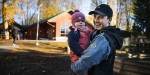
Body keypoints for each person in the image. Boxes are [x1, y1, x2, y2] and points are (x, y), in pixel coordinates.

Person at [71, 4, 128, 75]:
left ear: (109, 19)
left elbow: (86, 60)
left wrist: (73, 67)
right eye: (95, 17)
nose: (96, 20)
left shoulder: (103, 39)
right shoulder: (107, 34)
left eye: (100, 17)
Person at [67, 10, 93, 74]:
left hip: (85, 57)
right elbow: (73, 44)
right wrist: (82, 53)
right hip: (77, 58)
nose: (80, 22)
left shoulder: (87, 31)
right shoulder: (73, 33)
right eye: (78, 21)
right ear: (73, 23)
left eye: (82, 21)